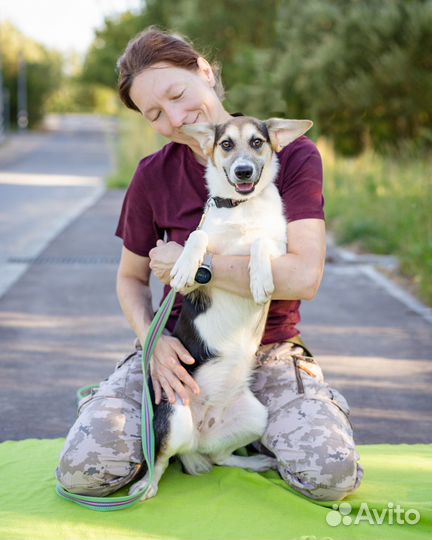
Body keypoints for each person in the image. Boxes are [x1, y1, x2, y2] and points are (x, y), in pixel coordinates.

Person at [56, 26, 363, 501]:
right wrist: (150, 343)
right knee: (85, 472)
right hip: (180, 349)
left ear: (204, 71)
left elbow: (303, 277)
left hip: (270, 350)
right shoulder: (152, 175)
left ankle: (256, 426)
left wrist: (198, 267)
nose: (175, 118)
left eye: (178, 94)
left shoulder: (290, 153)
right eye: (154, 114)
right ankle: (177, 434)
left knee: (331, 476)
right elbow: (131, 278)